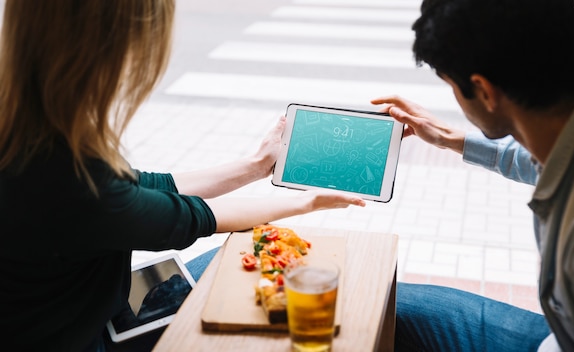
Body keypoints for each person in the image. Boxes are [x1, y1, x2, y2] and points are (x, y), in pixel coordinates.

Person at [0, 1, 365, 351]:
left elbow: (146, 189)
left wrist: (255, 166)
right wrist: (305, 202)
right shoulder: (78, 187)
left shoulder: (29, 139)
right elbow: (192, 217)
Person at [371, 0, 574, 351]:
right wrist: (449, 138)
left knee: (373, 309)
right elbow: (540, 159)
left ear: (485, 91)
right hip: (566, 333)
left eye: (452, 86)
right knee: (386, 305)